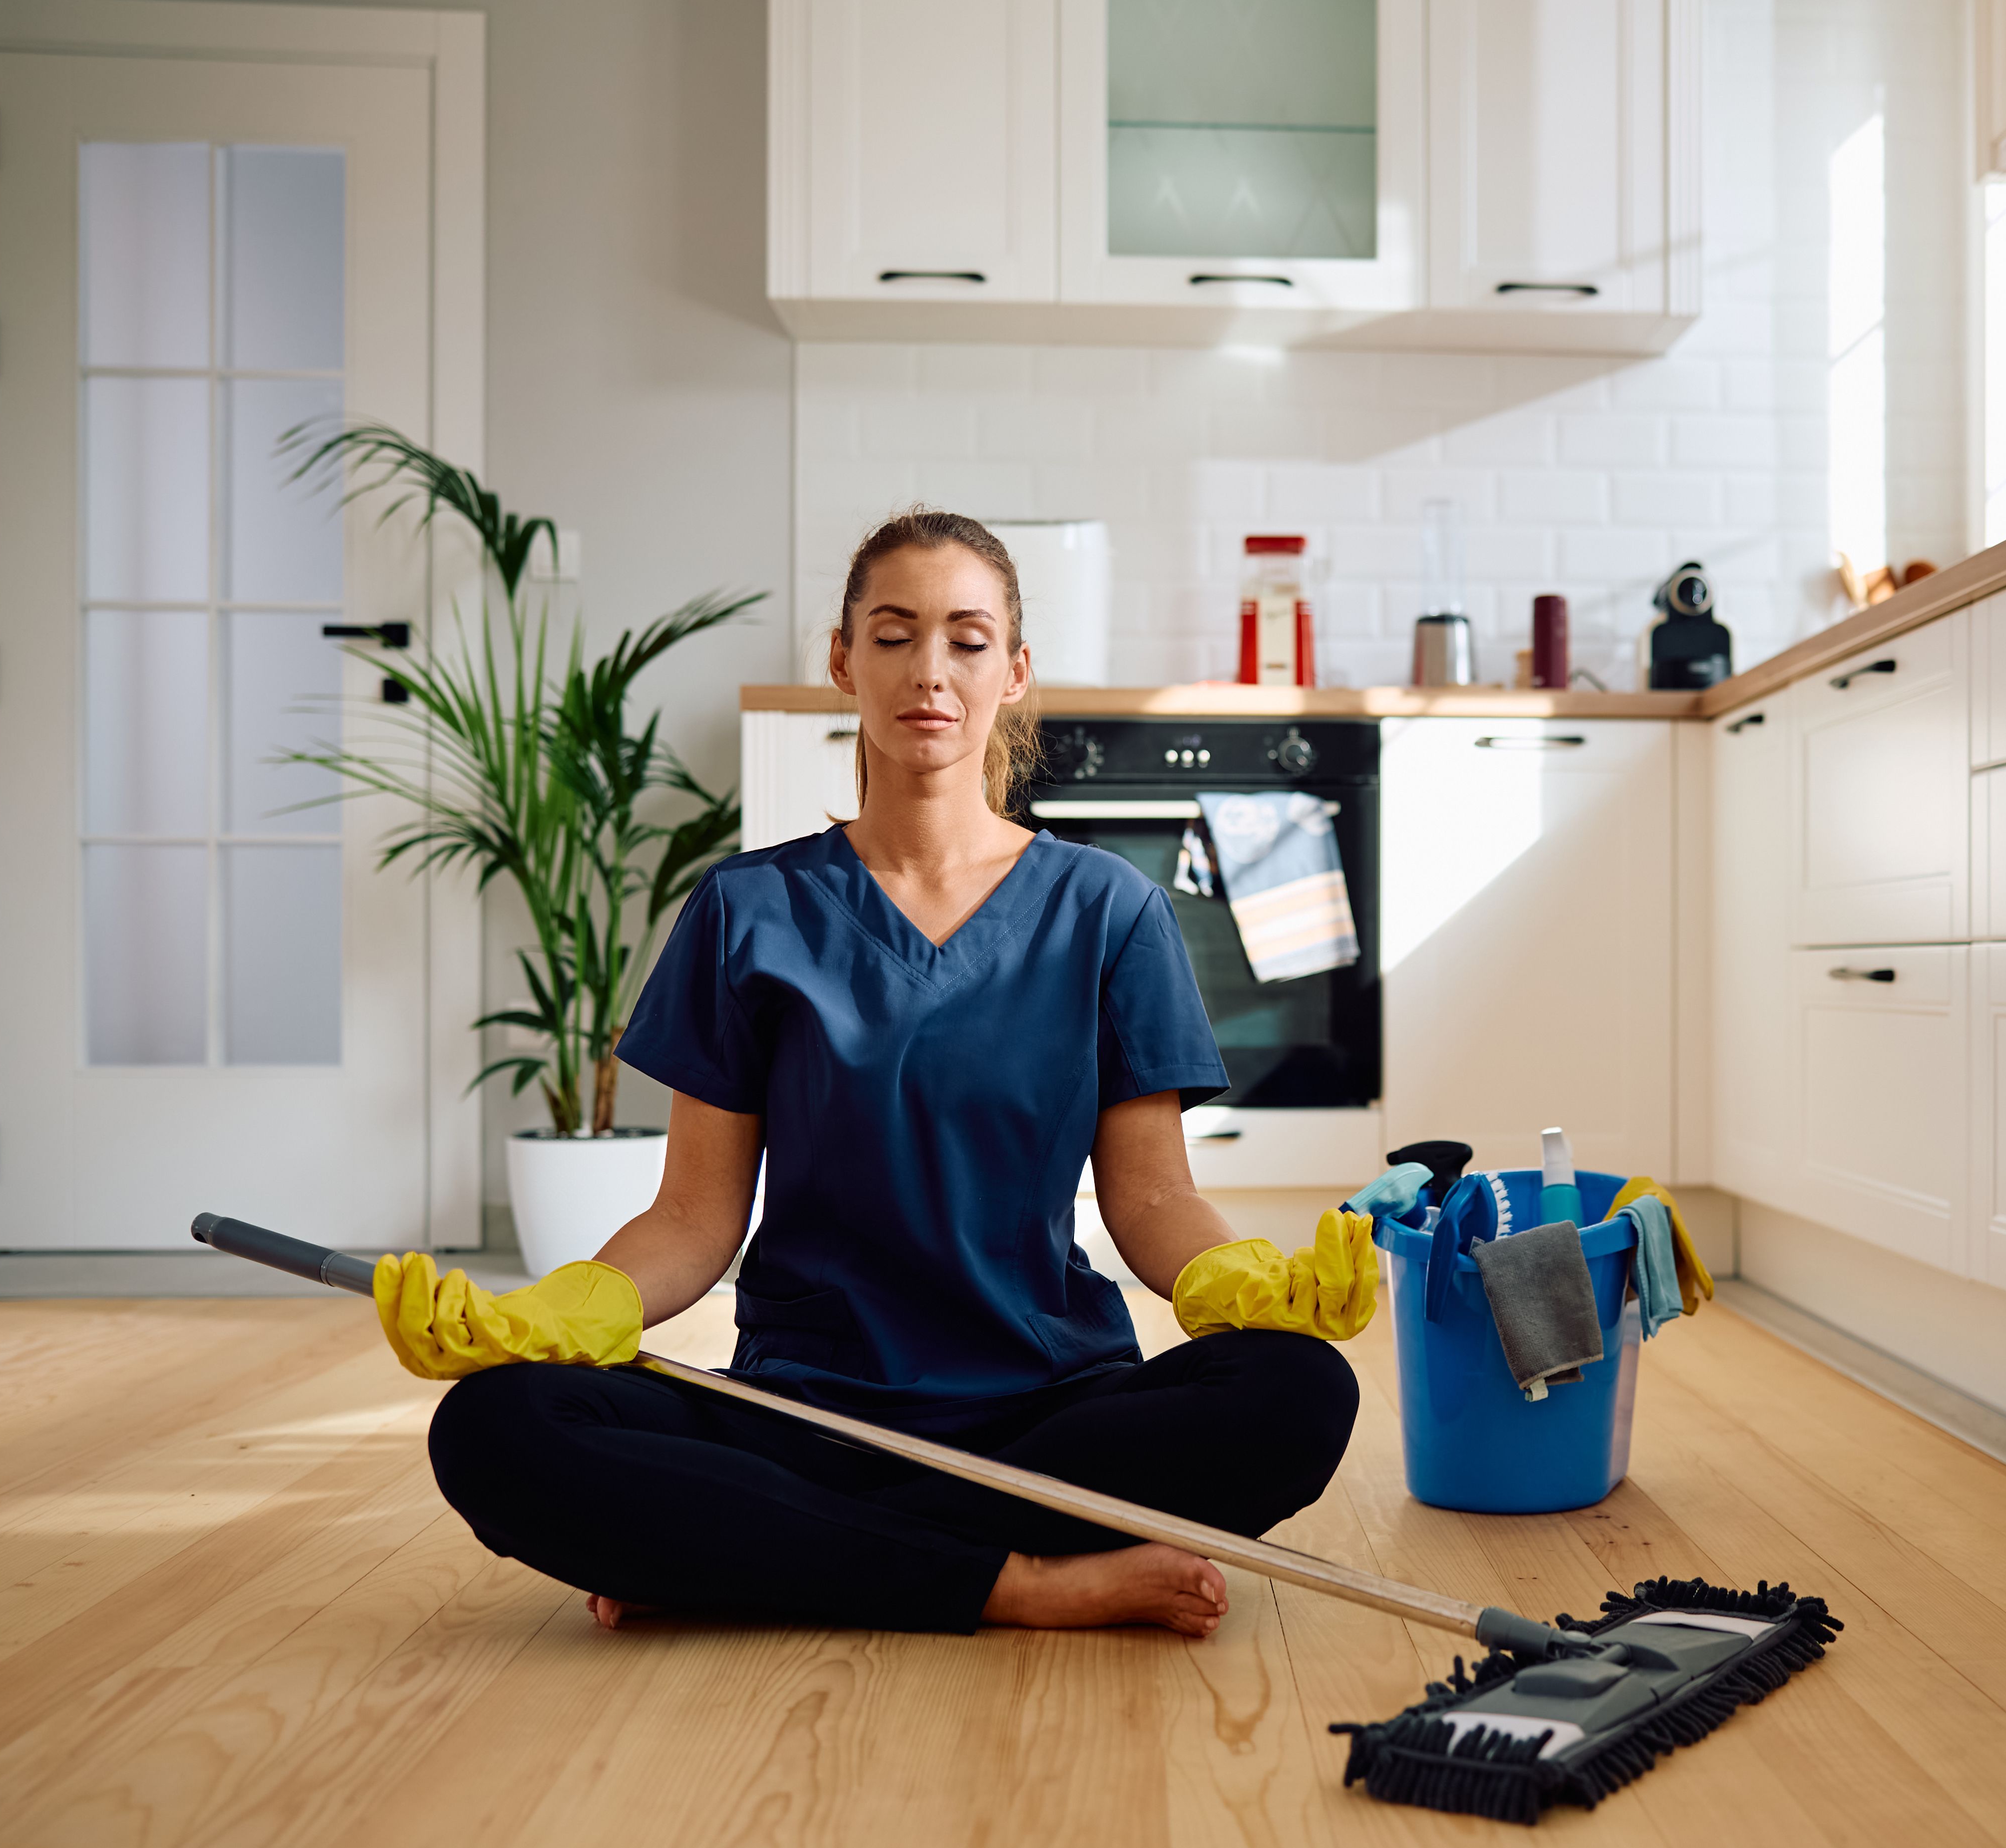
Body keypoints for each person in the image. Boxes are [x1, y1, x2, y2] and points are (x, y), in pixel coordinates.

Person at [389, 508, 1373, 1639]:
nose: (931, 671)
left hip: (1047, 1408)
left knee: (1298, 1392)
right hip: (807, 1409)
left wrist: (1241, 1282)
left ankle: (759, 1553)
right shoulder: (746, 911)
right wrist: (565, 1307)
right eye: (896, 634)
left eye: (967, 638)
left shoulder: (1110, 912)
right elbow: (694, 1215)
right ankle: (1019, 1581)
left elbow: (1148, 1198)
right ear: (844, 660)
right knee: (498, 1424)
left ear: (1015, 671)